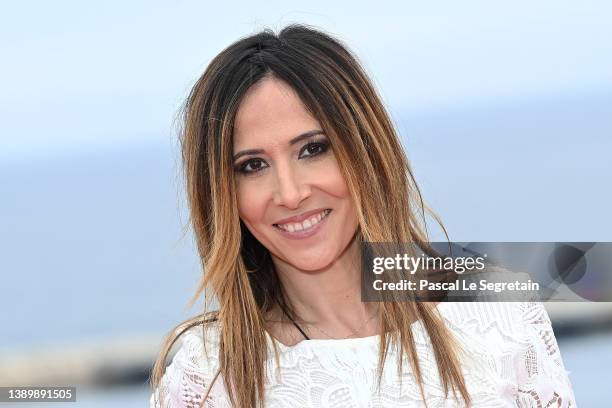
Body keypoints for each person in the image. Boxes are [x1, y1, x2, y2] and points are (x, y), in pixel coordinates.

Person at [149, 24, 576, 407]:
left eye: (313, 149)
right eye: (252, 166)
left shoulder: (495, 311)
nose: (291, 193)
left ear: (367, 150)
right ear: (222, 193)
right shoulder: (206, 377)